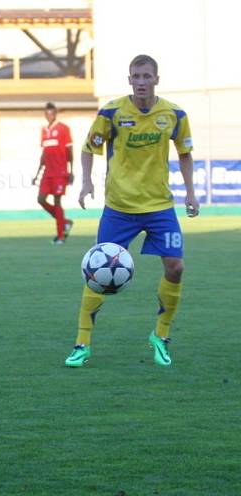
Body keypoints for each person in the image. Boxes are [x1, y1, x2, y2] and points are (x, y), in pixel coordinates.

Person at [64, 54, 199, 368]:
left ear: (156, 79)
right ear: (129, 80)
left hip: (159, 207)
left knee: (176, 268)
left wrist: (191, 192)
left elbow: (185, 153)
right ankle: (81, 343)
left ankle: (160, 335)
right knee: (97, 273)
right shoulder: (111, 112)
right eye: (135, 76)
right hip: (119, 208)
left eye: (146, 76)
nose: (141, 82)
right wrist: (85, 183)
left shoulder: (174, 114)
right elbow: (88, 148)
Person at [31, 102, 74, 245]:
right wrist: (37, 174)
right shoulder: (44, 130)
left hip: (60, 172)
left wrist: (71, 170)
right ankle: (65, 222)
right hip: (47, 173)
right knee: (41, 199)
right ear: (45, 114)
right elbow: (44, 155)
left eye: (52, 113)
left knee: (57, 202)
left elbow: (69, 151)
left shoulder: (63, 129)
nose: (49, 115)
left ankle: (60, 236)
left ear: (55, 113)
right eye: (47, 113)